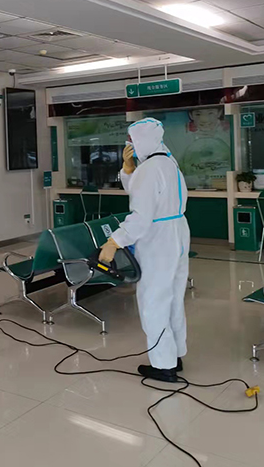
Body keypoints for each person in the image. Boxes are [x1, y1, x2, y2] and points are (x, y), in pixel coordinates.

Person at [99, 118, 191, 382]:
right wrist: (128, 170)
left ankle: (163, 366)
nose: (129, 145)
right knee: (173, 297)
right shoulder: (168, 163)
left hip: (158, 238)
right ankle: (175, 354)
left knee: (154, 300)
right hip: (177, 231)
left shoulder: (150, 169)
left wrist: (114, 242)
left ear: (142, 141)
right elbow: (143, 193)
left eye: (131, 140)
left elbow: (141, 216)